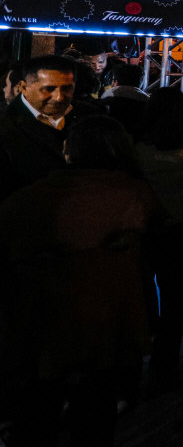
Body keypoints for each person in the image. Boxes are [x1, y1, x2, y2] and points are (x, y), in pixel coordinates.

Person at [0, 116, 159, 447]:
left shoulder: (26, 200)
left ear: (68, 151)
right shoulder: (136, 196)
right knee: (95, 418)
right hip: (106, 326)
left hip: (40, 325)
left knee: (36, 417)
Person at [131, 87, 183, 386]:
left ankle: (137, 355)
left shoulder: (139, 143)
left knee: (140, 285)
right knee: (174, 286)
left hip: (147, 220)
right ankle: (167, 361)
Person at [0, 54, 96, 201]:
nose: (58, 97)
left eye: (66, 88)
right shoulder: (7, 125)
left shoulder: (90, 117)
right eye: (48, 89)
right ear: (24, 88)